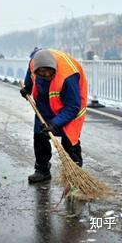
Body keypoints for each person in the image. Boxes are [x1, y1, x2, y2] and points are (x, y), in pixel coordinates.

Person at [20, 48, 88, 183]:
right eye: (42, 73)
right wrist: (28, 87)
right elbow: (30, 73)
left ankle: (75, 174)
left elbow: (73, 106)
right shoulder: (34, 65)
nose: (46, 75)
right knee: (40, 135)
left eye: (49, 72)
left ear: (54, 68)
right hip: (45, 102)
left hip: (70, 107)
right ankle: (42, 170)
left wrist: (55, 124)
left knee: (69, 142)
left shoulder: (68, 77)